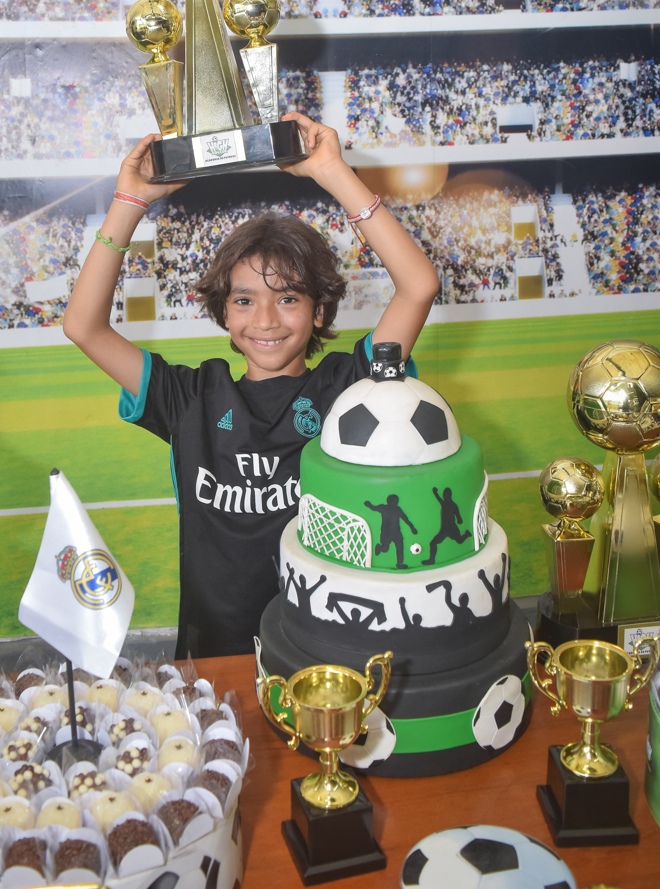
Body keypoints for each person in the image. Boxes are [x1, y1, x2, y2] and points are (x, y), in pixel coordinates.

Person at [63, 112, 439, 658]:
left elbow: (418, 285)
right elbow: (83, 326)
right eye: (244, 300)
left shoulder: (349, 389)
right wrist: (129, 201)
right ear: (224, 312)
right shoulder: (191, 397)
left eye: (288, 298)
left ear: (319, 311)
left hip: (320, 644)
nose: (265, 319)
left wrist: (333, 172)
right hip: (215, 651)